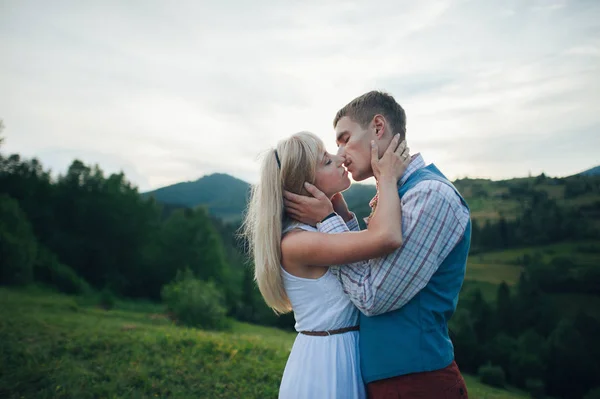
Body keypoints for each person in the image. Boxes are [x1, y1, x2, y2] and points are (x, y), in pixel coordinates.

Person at [284, 91, 472, 399]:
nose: (341, 153)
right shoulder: (396, 196)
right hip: (389, 382)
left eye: (344, 139)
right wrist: (342, 220)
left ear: (378, 128)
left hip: (419, 383)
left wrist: (329, 222)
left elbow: (373, 297)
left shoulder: (428, 196)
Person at [242, 131, 411, 399]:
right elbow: (387, 238)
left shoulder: (316, 231)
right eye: (327, 161)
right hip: (326, 367)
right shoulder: (298, 243)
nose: (340, 157)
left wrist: (337, 213)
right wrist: (386, 178)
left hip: (341, 354)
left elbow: (362, 267)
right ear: (307, 185)